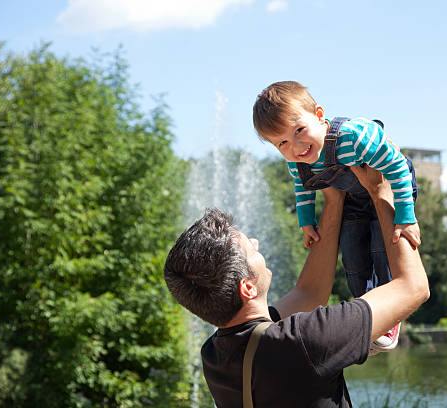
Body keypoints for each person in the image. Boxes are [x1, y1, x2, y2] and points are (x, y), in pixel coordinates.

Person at [164, 165, 429, 408]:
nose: (256, 243)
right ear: (247, 288)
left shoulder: (217, 354)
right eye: (249, 249)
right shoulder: (305, 341)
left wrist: (333, 202)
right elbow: (413, 287)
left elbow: (309, 292)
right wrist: (381, 192)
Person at [252, 80, 420, 351]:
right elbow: (303, 187)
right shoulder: (298, 162)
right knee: (352, 254)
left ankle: (392, 311)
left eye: (300, 130)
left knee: (383, 247)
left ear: (319, 115)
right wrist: (306, 222)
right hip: (354, 199)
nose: (296, 146)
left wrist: (406, 216)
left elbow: (398, 167)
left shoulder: (355, 138)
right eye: (282, 142)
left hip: (388, 187)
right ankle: (373, 312)